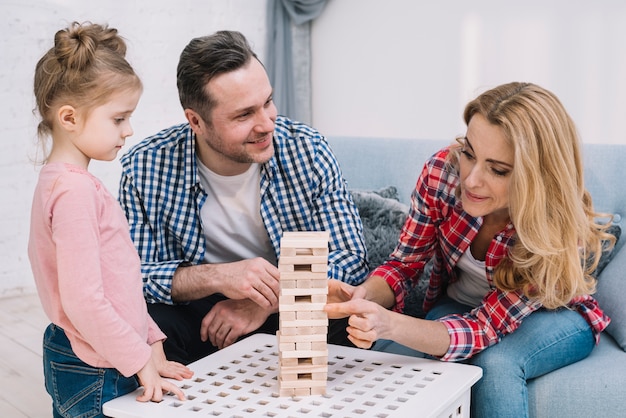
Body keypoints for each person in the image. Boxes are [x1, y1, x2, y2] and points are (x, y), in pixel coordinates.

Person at [324, 82, 615, 417]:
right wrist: (361, 297)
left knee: (496, 363)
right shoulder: (441, 175)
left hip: (554, 314)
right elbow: (404, 264)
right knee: (431, 362)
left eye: (498, 169)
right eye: (469, 153)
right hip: (459, 303)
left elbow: (484, 328)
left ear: (536, 177)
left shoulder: (549, 229)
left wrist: (389, 324)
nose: (472, 180)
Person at [117, 30, 369, 365]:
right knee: (145, 326)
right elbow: (134, 278)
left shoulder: (307, 149)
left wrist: (264, 301)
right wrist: (218, 275)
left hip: (290, 301)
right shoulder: (145, 166)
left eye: (267, 102)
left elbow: (350, 257)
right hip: (202, 312)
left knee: (345, 317)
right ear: (196, 121)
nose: (267, 124)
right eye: (244, 115)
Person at [28, 22, 193, 417]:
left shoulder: (64, 184)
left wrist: (152, 347)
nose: (129, 130)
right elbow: (84, 300)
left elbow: (119, 283)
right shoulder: (74, 193)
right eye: (118, 119)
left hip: (100, 352)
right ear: (69, 118)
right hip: (97, 365)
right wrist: (137, 361)